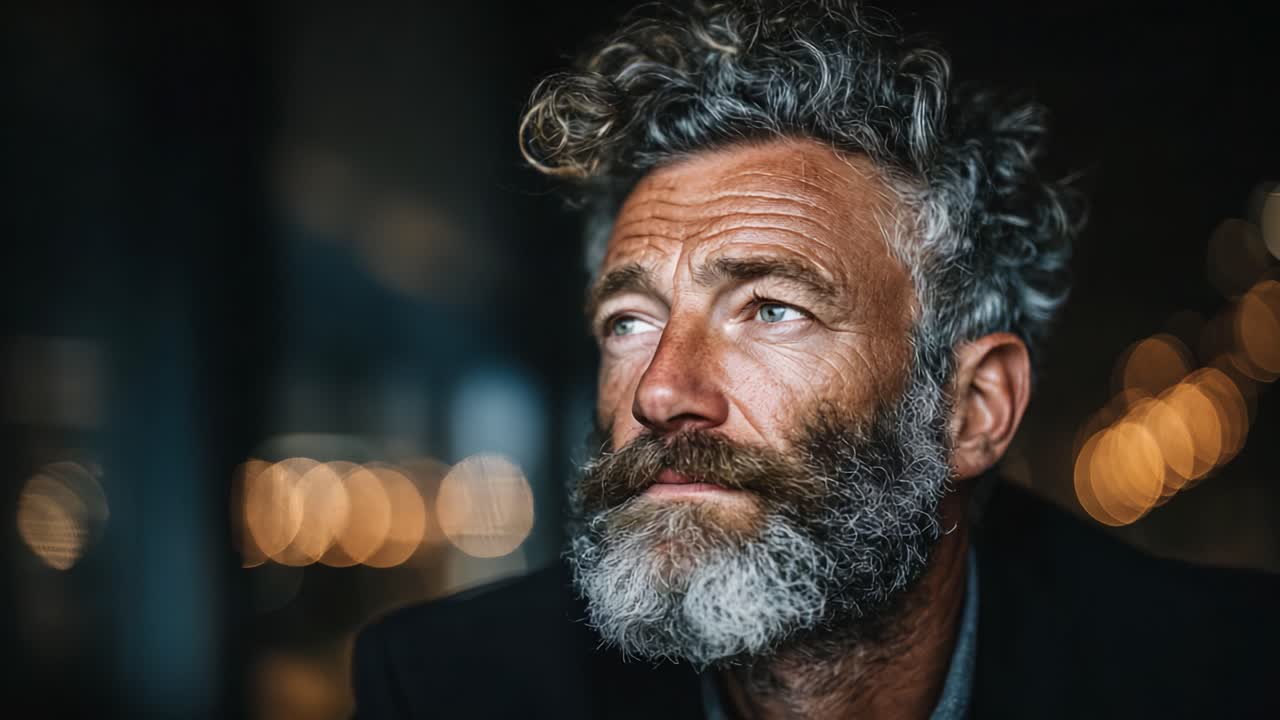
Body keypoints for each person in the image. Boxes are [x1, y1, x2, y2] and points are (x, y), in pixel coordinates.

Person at [351, 1, 1280, 717]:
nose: (664, 389)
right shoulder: (450, 686)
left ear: (972, 409)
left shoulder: (1225, 674)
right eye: (629, 320)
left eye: (770, 309)